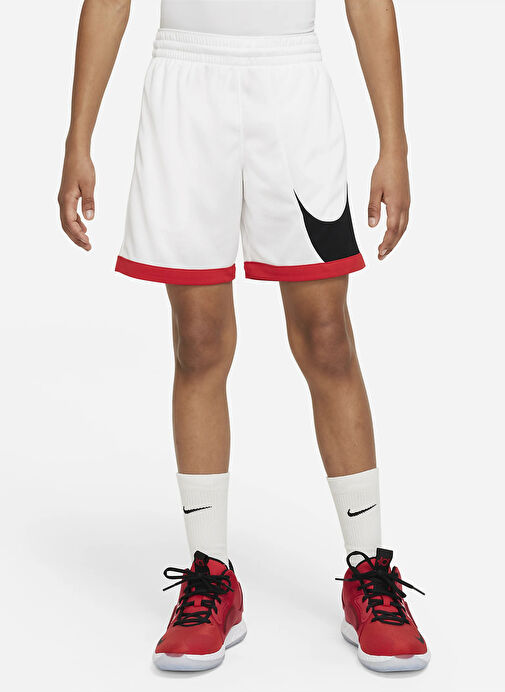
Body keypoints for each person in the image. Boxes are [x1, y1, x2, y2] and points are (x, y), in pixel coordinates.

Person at [58, 0, 429, 674]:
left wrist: (394, 145)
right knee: (198, 340)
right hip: (184, 83)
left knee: (326, 337)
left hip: (290, 82)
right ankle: (210, 576)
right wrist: (77, 138)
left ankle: (369, 572)